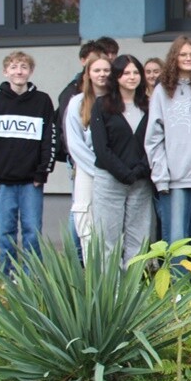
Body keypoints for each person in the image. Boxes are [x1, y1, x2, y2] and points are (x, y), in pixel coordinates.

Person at [0, 51, 56, 276]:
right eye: (13, 67)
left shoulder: (42, 101)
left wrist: (43, 171)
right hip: (2, 181)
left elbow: (49, 140)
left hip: (32, 181)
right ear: (6, 72)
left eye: (23, 67)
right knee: (5, 231)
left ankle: (32, 277)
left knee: (32, 231)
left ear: (30, 72)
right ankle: (7, 276)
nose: (19, 71)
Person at [145, 36, 191, 276]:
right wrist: (160, 174)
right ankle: (178, 292)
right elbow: (154, 137)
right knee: (176, 240)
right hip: (173, 179)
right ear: (174, 58)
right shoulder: (162, 91)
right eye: (182, 54)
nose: (188, 59)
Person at [90, 55, 154, 262]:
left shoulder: (149, 106)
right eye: (126, 72)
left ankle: (133, 289)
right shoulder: (102, 106)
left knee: (138, 240)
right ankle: (112, 292)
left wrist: (140, 170)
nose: (132, 77)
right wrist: (124, 173)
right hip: (110, 181)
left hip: (141, 181)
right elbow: (101, 147)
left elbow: (154, 142)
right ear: (116, 76)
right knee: (108, 240)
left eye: (136, 72)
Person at [64, 55, 112, 258]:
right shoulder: (77, 103)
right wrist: (97, 169)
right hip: (88, 170)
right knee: (84, 219)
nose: (102, 74)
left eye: (106, 70)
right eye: (97, 70)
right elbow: (75, 144)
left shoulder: (116, 101)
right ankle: (90, 270)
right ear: (88, 74)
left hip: (113, 171)